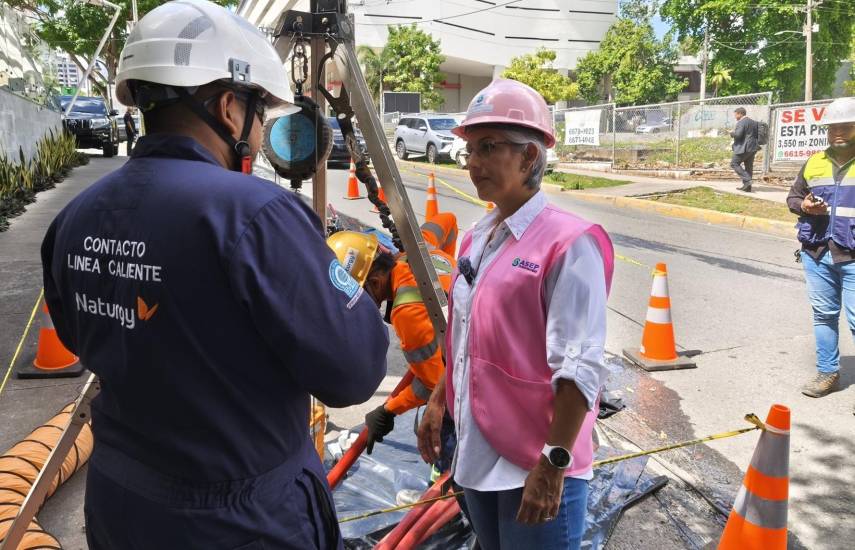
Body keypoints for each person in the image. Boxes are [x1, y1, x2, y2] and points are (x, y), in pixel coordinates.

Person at [40, 1, 388, 548]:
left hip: (122, 506)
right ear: (229, 107)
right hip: (242, 522)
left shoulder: (76, 216)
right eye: (259, 113)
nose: (259, 132)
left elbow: (78, 335)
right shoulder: (255, 214)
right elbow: (355, 370)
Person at [417, 79, 614, 550]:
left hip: (535, 463)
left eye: (488, 147)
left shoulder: (570, 244)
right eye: (470, 150)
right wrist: (440, 401)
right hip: (478, 451)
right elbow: (464, 338)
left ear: (529, 157)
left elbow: (580, 365)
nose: (472, 162)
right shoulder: (477, 238)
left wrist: (553, 463)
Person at [327, 213, 458, 453]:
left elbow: (434, 386)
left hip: (474, 383)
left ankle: (449, 471)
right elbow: (448, 220)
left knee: (434, 425)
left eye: (359, 295)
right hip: (482, 336)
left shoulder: (407, 313)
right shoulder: (420, 249)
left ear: (376, 282)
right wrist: (452, 274)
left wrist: (389, 409)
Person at [786, 96, 855, 408]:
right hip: (817, 253)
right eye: (832, 127)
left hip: (852, 255)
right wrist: (804, 205)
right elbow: (793, 198)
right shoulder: (814, 162)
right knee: (823, 315)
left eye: (846, 126)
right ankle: (828, 373)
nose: (838, 132)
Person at [730, 107, 760, 192]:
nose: (735, 116)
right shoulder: (753, 122)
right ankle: (747, 187)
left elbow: (738, 135)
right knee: (748, 166)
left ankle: (748, 180)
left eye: (736, 114)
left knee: (734, 163)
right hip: (753, 147)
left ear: (740, 114)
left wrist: (732, 133)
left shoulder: (741, 122)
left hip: (744, 147)